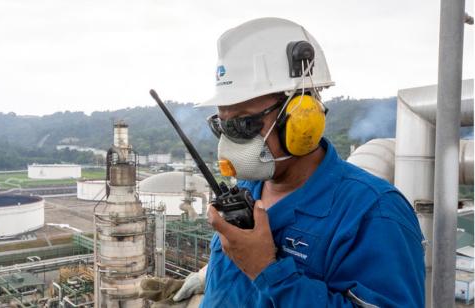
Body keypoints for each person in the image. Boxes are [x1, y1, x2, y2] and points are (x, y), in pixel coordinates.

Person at [141, 17, 425, 307]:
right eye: (222, 126)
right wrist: (206, 282)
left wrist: (268, 271)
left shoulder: (372, 214)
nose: (229, 144)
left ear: (301, 118)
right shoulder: (248, 190)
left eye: (244, 124)